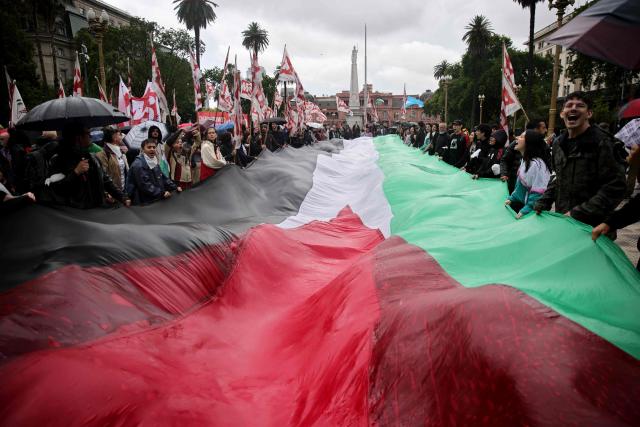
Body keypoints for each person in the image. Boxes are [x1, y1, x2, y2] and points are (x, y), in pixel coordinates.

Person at [534, 91, 626, 227]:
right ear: (562, 113)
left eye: (580, 105)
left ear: (589, 114)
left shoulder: (603, 142)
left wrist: (578, 213)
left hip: (592, 228)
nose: (573, 108)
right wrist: (543, 202)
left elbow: (616, 187)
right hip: (564, 224)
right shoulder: (558, 144)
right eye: (569, 105)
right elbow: (557, 177)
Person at [47, 125, 130, 209]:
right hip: (75, 214)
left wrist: (122, 197)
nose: (90, 136)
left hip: (97, 210)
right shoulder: (58, 160)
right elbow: (56, 190)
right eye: (87, 133)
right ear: (78, 138)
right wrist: (75, 172)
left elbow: (106, 180)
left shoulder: (92, 158)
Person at [504, 131, 552, 219]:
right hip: (525, 208)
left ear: (529, 143)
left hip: (533, 214)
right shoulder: (525, 160)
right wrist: (511, 198)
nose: (517, 138)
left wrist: (526, 210)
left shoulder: (537, 165)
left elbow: (539, 193)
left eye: (521, 137)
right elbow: (521, 187)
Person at [127, 138, 180, 205]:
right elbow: (145, 185)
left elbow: (163, 177)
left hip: (156, 198)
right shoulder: (138, 165)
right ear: (143, 149)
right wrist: (161, 193)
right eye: (149, 147)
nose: (152, 149)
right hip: (146, 201)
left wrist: (175, 187)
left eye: (154, 147)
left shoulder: (153, 160)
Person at [96, 127, 129, 194]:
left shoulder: (120, 151)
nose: (121, 136)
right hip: (113, 196)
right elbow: (103, 177)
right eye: (119, 134)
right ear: (114, 137)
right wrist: (107, 193)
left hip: (123, 192)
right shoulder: (103, 154)